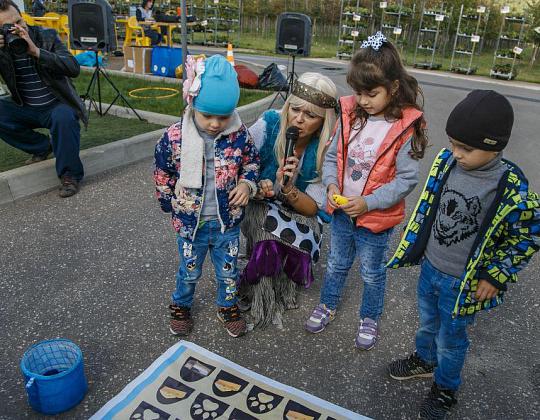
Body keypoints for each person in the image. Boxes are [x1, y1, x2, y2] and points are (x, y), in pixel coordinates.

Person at [386, 90, 540, 420]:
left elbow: (525, 238)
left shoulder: (511, 186)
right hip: (431, 269)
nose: (456, 153)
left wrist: (496, 275)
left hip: (464, 284)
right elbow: (432, 202)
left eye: (466, 148)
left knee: (451, 339)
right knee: (427, 325)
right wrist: (415, 231)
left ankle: (446, 388)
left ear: (495, 145)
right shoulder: (447, 163)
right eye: (453, 144)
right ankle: (425, 361)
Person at [304, 32, 427, 351]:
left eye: (371, 94)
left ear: (394, 88)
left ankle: (370, 317)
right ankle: (328, 303)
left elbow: (406, 181)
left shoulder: (404, 126)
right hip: (343, 212)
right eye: (358, 93)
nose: (363, 100)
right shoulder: (349, 115)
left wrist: (369, 202)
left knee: (372, 272)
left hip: (376, 219)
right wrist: (331, 184)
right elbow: (332, 158)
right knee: (336, 263)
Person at [153, 54, 259, 338]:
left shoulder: (240, 135)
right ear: (192, 104)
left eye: (223, 117)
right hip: (191, 224)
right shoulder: (175, 137)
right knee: (189, 272)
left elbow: (251, 163)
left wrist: (247, 185)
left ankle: (227, 305)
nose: (214, 124)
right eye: (207, 116)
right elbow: (163, 172)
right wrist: (169, 203)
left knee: (228, 272)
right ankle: (181, 305)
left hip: (227, 224)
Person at [238, 72, 338, 330]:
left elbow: (313, 208)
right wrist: (254, 186)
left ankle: (281, 282)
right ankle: (261, 296)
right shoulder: (268, 125)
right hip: (258, 204)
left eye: (311, 115)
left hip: (295, 209)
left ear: (323, 120)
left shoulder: (324, 149)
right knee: (268, 237)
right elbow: (236, 162)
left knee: (303, 228)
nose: (299, 119)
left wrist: (289, 188)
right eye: (295, 109)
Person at [0, 0, 85, 197]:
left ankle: (70, 175)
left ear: (22, 16)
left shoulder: (46, 35)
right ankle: (42, 146)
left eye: (18, 22)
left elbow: (73, 67)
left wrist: (36, 51)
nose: (17, 29)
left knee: (64, 117)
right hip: (25, 107)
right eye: (8, 27)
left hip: (56, 104)